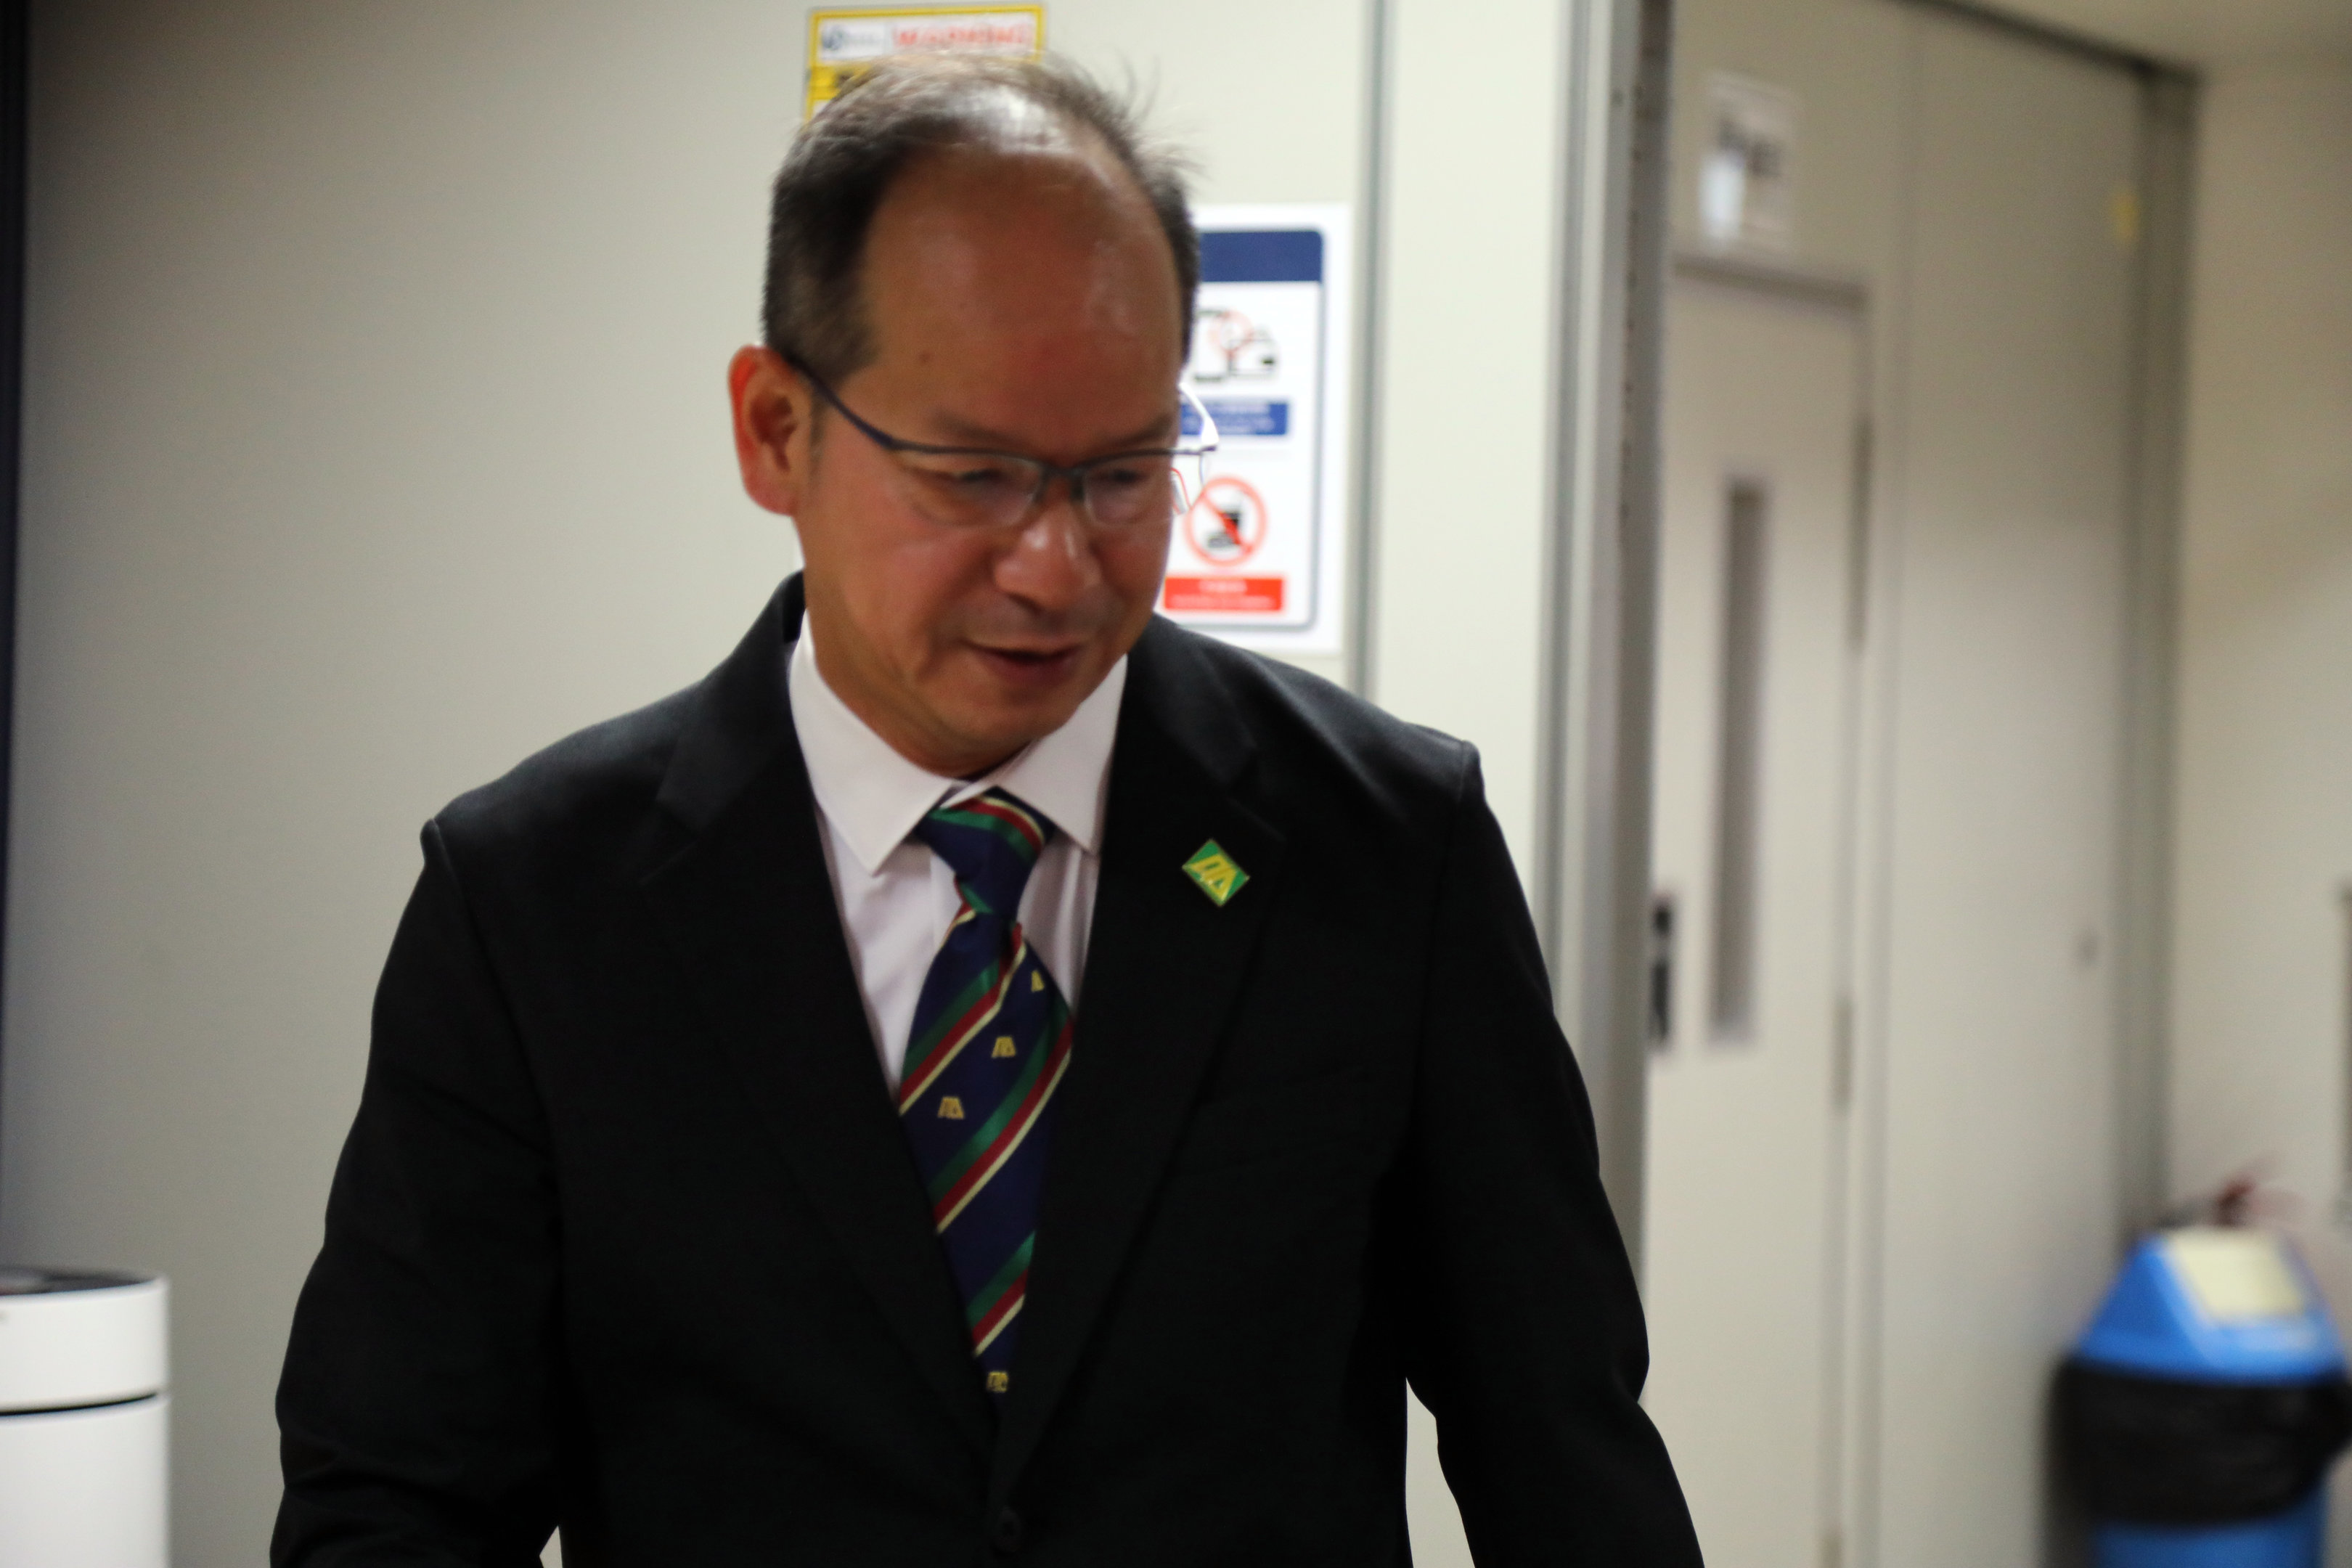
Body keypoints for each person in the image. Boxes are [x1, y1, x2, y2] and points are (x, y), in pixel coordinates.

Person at [272, 54, 1699, 1567]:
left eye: (1123, 474)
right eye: (974, 476)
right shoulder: (538, 906)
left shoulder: (1382, 847)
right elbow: (401, 1502)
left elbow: (1563, 1455)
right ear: (776, 430)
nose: (1056, 567)